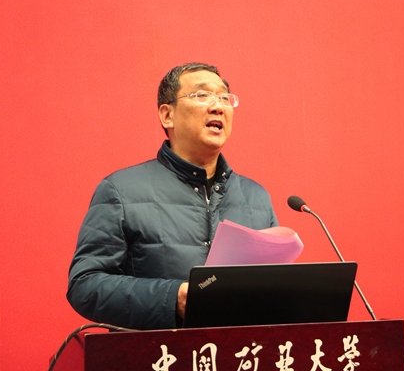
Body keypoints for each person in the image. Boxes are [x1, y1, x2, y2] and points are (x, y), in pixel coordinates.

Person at [67, 62, 278, 330]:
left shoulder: (256, 198)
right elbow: (85, 285)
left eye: (224, 98)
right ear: (167, 115)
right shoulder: (121, 191)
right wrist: (172, 298)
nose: (218, 106)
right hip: (159, 351)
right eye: (202, 95)